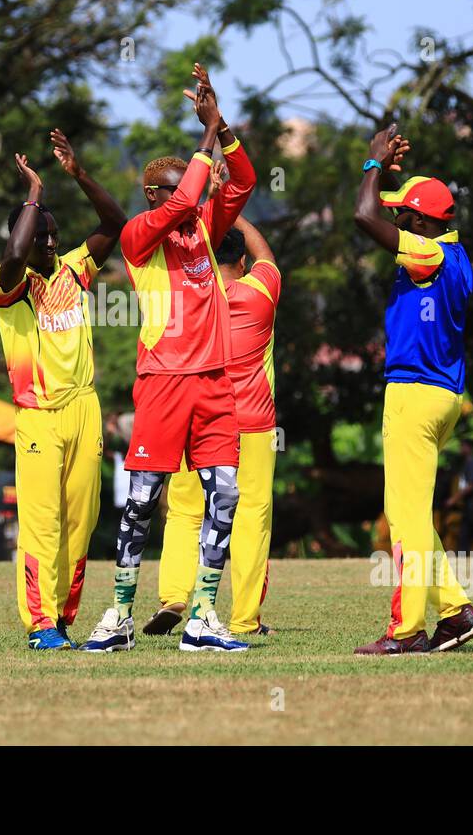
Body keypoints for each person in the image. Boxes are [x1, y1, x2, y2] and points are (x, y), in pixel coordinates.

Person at [80, 63, 257, 653]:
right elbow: (190, 195)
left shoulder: (202, 229)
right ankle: (120, 616)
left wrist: (222, 127)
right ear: (154, 196)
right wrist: (203, 139)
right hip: (162, 381)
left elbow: (244, 182)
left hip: (214, 381)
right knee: (141, 500)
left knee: (225, 494)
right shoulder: (137, 235)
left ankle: (205, 616)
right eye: (182, 190)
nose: (197, 197)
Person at [0, 130, 126, 650]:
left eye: (54, 234)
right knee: (42, 523)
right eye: (42, 234)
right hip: (38, 414)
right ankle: (40, 622)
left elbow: (116, 224)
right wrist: (35, 195)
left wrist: (79, 175)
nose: (49, 242)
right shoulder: (7, 284)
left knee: (81, 522)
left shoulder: (73, 269)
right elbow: (18, 249)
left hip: (84, 408)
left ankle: (64, 617)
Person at [351, 123, 473, 655]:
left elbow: (363, 216)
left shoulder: (428, 255)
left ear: (423, 223)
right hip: (444, 395)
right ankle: (455, 610)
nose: (394, 218)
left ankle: (405, 632)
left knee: (404, 519)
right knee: (409, 509)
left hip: (414, 393)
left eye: (403, 214)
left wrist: (371, 163)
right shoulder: (454, 255)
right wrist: (385, 175)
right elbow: (376, 212)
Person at [151, 214, 281, 638]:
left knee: (186, 513)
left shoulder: (186, 299)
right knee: (250, 518)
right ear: (240, 260)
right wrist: (234, 207)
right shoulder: (261, 292)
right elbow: (267, 255)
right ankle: (244, 619)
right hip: (253, 423)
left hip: (199, 421)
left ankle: (173, 596)